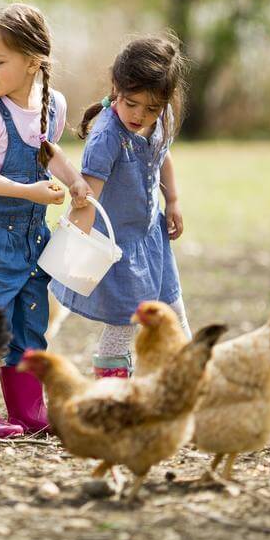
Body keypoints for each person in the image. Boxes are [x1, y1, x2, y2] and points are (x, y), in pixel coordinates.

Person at [0, 3, 90, 437]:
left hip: (31, 234)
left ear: (33, 61)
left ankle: (28, 412)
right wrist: (31, 191)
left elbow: (47, 150)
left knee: (30, 321)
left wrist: (74, 180)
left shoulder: (53, 104)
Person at [52, 32, 191, 379]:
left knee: (174, 314)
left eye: (152, 108)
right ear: (117, 87)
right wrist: (70, 247)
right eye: (132, 104)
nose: (141, 115)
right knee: (123, 325)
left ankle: (190, 382)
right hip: (119, 249)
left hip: (151, 240)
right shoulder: (107, 137)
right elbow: (89, 198)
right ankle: (112, 394)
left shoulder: (159, 120)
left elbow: (162, 156)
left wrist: (171, 199)